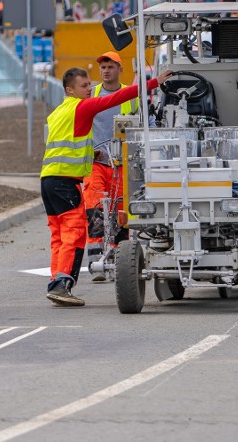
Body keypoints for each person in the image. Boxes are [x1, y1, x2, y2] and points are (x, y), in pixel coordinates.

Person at [41, 65, 170, 306]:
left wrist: (93, 154)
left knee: (58, 235)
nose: (90, 89)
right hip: (65, 183)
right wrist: (153, 83)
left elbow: (66, 144)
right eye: (84, 86)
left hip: (48, 180)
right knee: (74, 232)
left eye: (90, 84)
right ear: (70, 90)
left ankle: (55, 281)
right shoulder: (82, 106)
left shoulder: (57, 112)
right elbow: (117, 97)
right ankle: (62, 284)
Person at [83, 51, 136, 282]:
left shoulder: (130, 96)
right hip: (97, 162)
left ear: (120, 69)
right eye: (103, 66)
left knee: (121, 213)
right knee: (95, 209)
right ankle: (96, 263)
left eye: (110, 66)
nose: (106, 70)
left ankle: (119, 260)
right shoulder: (91, 94)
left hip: (122, 164)